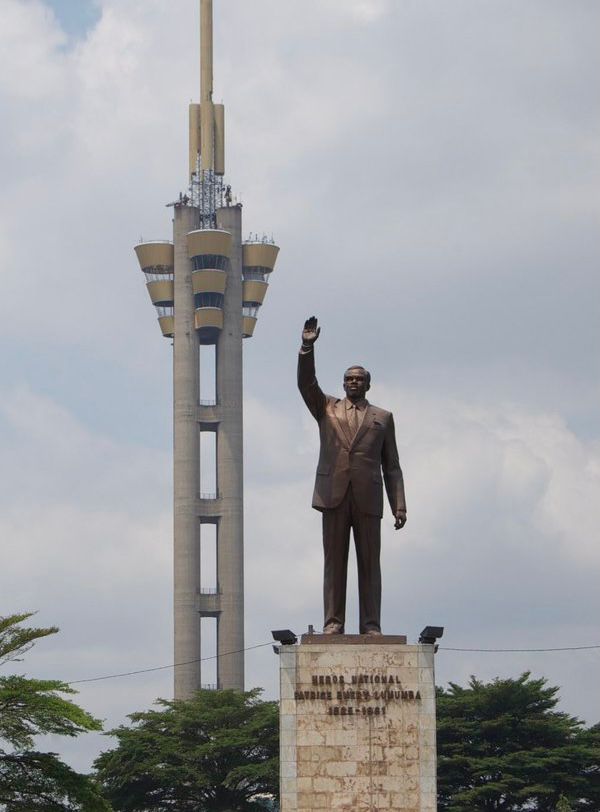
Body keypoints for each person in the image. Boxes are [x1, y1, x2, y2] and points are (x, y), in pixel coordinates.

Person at [298, 316, 407, 635]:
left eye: (359, 379)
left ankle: (371, 625)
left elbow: (393, 464)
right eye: (349, 379)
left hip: (368, 497)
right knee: (334, 564)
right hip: (333, 493)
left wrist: (398, 504)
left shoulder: (382, 418)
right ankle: (333, 623)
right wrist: (307, 347)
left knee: (370, 565)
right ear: (343, 383)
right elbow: (306, 384)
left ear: (368, 384)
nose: (353, 383)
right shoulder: (326, 408)